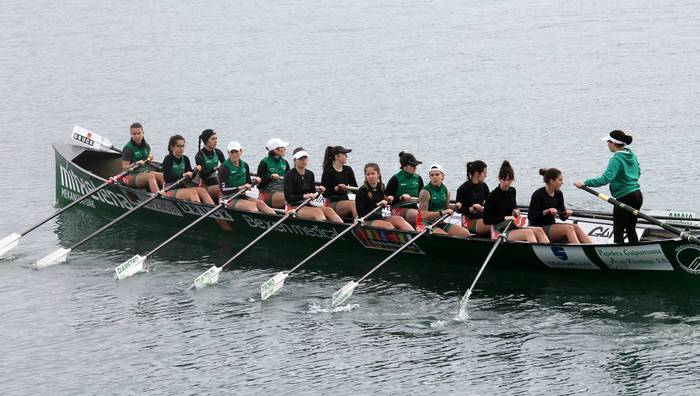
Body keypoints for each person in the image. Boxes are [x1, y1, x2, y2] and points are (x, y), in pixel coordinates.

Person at [575, 130, 642, 244]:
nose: (607, 145)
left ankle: (620, 258)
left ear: (612, 143)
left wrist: (585, 182)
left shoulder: (616, 159)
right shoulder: (632, 154)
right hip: (637, 195)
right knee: (631, 228)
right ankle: (635, 252)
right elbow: (638, 172)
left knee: (618, 230)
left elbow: (605, 179)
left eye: (608, 142)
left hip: (625, 197)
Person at [483, 161, 549, 243]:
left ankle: (546, 252)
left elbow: (514, 208)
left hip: (511, 226)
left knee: (539, 230)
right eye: (504, 179)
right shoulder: (492, 196)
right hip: (499, 231)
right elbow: (486, 220)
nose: (507, 183)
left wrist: (516, 211)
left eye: (509, 180)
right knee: (528, 233)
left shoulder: (512, 191)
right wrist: (505, 218)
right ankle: (534, 252)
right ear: (499, 178)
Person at [528, 168, 592, 244]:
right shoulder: (538, 194)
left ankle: (591, 247)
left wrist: (566, 214)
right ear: (552, 181)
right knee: (568, 228)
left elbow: (562, 217)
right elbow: (531, 216)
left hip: (551, 226)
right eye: (560, 180)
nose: (562, 183)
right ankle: (580, 250)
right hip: (538, 228)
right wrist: (547, 211)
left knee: (575, 226)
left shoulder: (559, 194)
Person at [284, 147, 343, 222]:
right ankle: (325, 230)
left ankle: (343, 229)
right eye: (301, 159)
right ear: (295, 161)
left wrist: (319, 192)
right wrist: (304, 196)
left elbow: (314, 195)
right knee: (317, 212)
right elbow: (288, 198)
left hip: (308, 204)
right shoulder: (289, 175)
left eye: (305, 158)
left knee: (329, 210)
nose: (304, 161)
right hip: (294, 207)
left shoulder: (310, 174)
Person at [218, 142, 275, 214]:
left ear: (241, 151)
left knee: (261, 204)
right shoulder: (224, 168)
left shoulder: (245, 165)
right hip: (227, 199)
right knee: (252, 206)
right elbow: (224, 190)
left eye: (236, 152)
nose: (234, 154)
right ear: (228, 153)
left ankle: (277, 220)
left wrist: (255, 181)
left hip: (241, 196)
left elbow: (248, 183)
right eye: (232, 152)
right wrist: (239, 188)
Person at [354, 163, 414, 231]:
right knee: (388, 226)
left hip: (379, 216)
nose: (370, 176)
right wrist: (377, 205)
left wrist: (399, 198)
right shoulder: (362, 191)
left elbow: (386, 201)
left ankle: (415, 237)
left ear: (378, 175)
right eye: (368, 174)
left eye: (373, 173)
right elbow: (361, 213)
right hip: (366, 220)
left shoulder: (381, 186)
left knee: (400, 220)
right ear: (365, 177)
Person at [418, 164, 470, 237]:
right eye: (432, 175)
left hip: (439, 222)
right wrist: (441, 213)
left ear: (443, 177)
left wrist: (455, 206)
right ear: (429, 177)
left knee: (465, 233)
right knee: (444, 236)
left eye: (437, 174)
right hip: (425, 224)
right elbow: (423, 215)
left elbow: (446, 208)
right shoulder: (425, 192)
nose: (434, 177)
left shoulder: (446, 191)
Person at [161, 135, 214, 204]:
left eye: (183, 146)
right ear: (172, 147)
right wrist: (182, 175)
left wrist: (195, 171)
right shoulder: (168, 159)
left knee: (202, 191)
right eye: (179, 146)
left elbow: (190, 178)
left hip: (182, 188)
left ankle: (215, 211)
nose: (181, 149)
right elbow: (167, 178)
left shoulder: (185, 159)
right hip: (170, 189)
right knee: (192, 193)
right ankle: (198, 212)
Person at [121, 122, 164, 193]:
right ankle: (159, 198)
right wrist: (135, 163)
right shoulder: (128, 149)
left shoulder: (146, 146)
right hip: (130, 176)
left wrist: (150, 159)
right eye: (134, 134)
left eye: (138, 133)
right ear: (131, 135)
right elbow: (124, 168)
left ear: (143, 133)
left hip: (144, 172)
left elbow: (148, 162)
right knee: (150, 176)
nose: (137, 136)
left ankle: (169, 195)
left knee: (161, 175)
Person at [385, 151, 424, 226]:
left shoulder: (418, 178)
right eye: (412, 165)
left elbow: (422, 197)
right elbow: (386, 199)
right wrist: (400, 198)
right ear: (404, 166)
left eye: (415, 165)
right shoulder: (395, 179)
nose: (415, 167)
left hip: (414, 207)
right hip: (397, 208)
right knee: (418, 215)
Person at [455, 160, 491, 237]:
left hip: (480, 217)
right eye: (484, 173)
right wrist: (471, 209)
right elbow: (458, 210)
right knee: (493, 225)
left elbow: (490, 203)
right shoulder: (463, 189)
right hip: (468, 221)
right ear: (477, 174)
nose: (486, 175)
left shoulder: (484, 186)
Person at [321, 146, 358, 219]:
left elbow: (355, 189)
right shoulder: (328, 171)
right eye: (344, 154)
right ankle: (359, 228)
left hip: (345, 199)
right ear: (336, 156)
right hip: (332, 203)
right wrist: (336, 188)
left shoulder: (348, 170)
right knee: (353, 204)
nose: (347, 156)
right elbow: (324, 194)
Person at [257, 138, 291, 209]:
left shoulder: (285, 163)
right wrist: (270, 177)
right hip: (266, 193)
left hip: (282, 192)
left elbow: (289, 181)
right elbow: (259, 184)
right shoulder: (264, 163)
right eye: (282, 147)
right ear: (275, 150)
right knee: (289, 198)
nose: (285, 149)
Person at [195, 129, 226, 200]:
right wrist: (213, 169)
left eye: (216, 138)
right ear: (206, 141)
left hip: (215, 182)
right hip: (205, 186)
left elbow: (226, 167)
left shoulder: (218, 152)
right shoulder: (199, 156)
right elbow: (203, 175)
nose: (215, 141)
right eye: (213, 139)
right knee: (222, 189)